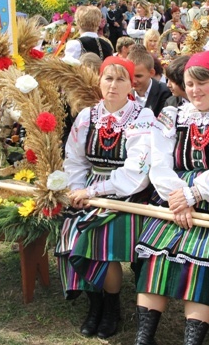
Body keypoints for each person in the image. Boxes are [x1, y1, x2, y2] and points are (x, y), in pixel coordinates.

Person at [133, 51, 209, 345]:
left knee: (201, 264)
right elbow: (159, 162)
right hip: (173, 193)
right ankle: (143, 338)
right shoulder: (173, 114)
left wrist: (193, 194)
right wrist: (177, 196)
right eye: (189, 84)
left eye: (203, 83)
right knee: (157, 259)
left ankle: (192, 341)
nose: (196, 90)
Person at [55, 57, 154, 339]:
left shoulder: (141, 117)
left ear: (130, 84)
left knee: (99, 238)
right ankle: (94, 303)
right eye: (108, 78)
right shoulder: (87, 116)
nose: (113, 85)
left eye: (121, 79)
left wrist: (94, 191)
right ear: (99, 81)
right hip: (87, 190)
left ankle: (111, 307)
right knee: (71, 232)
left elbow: (137, 172)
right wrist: (76, 190)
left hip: (127, 195)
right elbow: (74, 160)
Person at [127, 45, 171, 117]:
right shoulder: (124, 92)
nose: (134, 81)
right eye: (130, 76)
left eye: (138, 76)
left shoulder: (164, 92)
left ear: (151, 73)